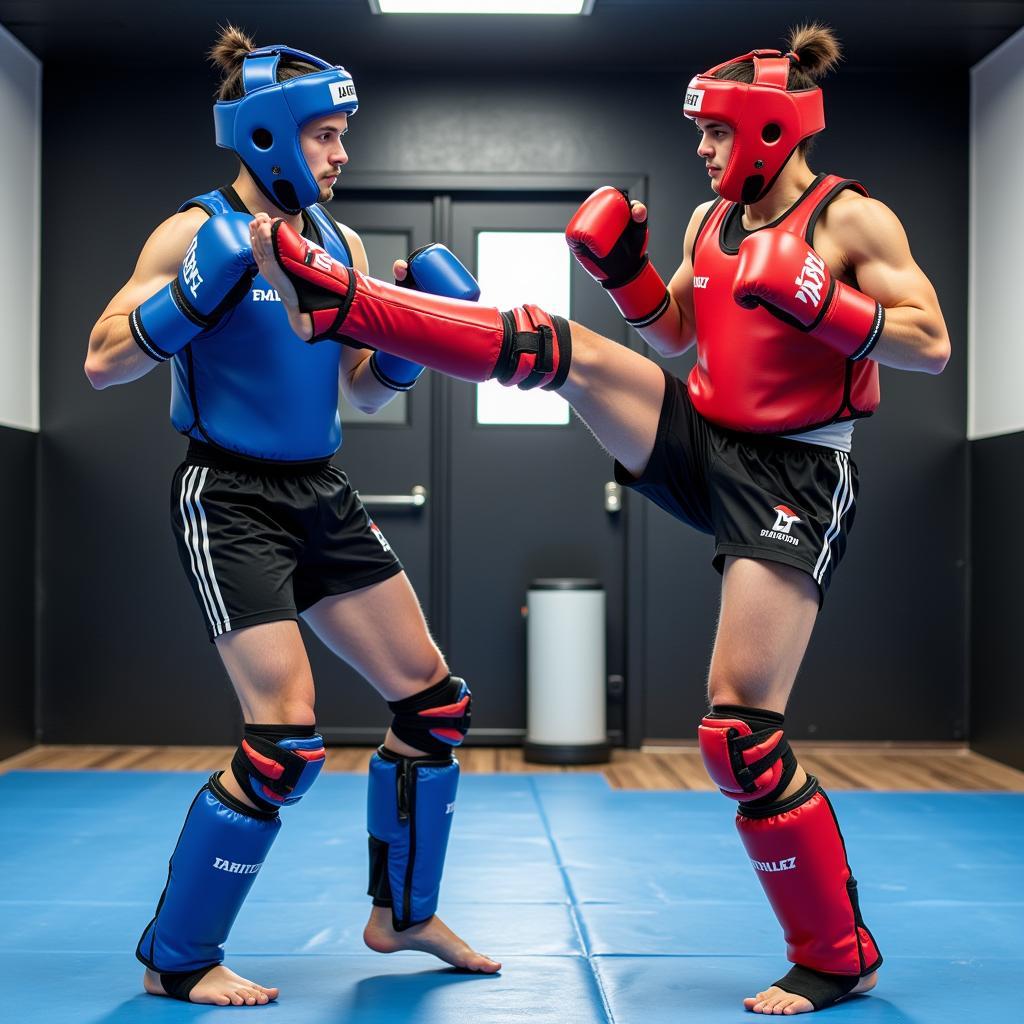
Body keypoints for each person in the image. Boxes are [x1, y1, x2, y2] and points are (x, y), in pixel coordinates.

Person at [253, 22, 950, 1014]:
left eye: (716, 134)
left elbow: (929, 343)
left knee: (740, 736)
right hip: (701, 435)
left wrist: (824, 304)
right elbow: (672, 331)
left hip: (796, 473)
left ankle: (836, 955)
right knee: (559, 346)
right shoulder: (714, 220)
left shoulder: (851, 222)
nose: (704, 153)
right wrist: (625, 273)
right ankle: (350, 304)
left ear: (768, 127)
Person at [84, 24, 498, 1008]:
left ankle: (399, 914)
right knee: (285, 740)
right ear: (267, 132)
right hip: (228, 496)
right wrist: (189, 298)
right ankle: (177, 958)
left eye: (344, 135)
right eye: (325, 135)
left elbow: (356, 391)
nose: (341, 154)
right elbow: (103, 360)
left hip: (322, 492)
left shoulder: (340, 243)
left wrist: (403, 349)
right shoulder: (189, 232)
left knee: (434, 704)